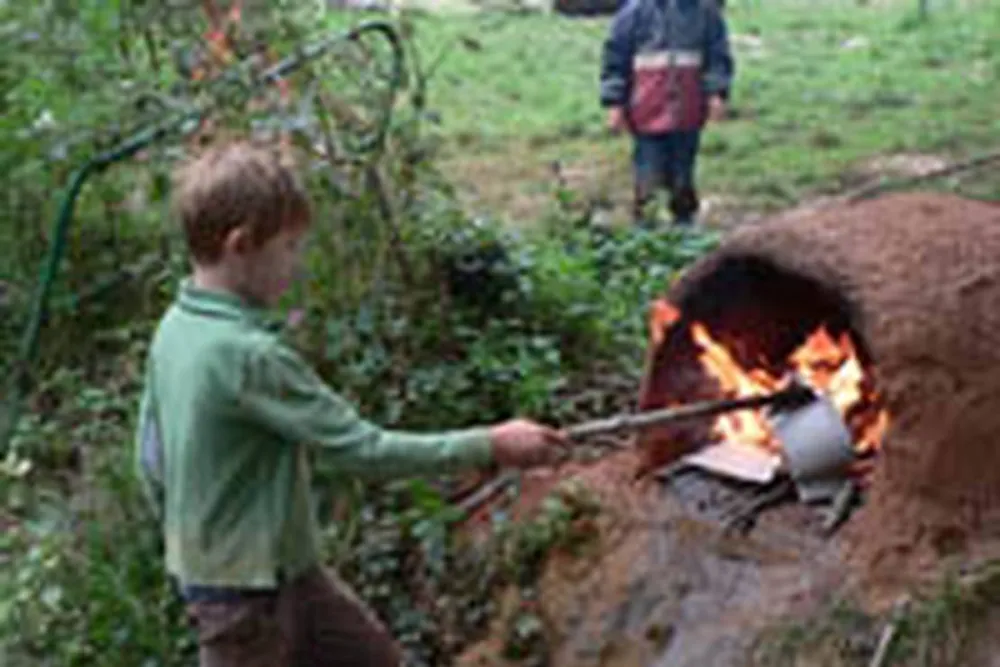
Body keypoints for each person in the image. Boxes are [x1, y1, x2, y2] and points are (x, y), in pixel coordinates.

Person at [133, 140, 570, 667]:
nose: (298, 266)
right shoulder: (248, 356)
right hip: (243, 602)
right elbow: (363, 449)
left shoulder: (175, 329)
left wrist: (191, 547)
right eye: (290, 247)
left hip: (283, 576)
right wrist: (492, 443)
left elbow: (149, 459)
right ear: (241, 244)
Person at [600, 0, 734, 227]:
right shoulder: (634, 12)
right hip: (646, 110)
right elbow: (615, 60)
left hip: (688, 111)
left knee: (683, 173)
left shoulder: (704, 12)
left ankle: (684, 225)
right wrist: (615, 103)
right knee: (648, 173)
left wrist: (716, 94)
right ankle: (645, 227)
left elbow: (717, 56)